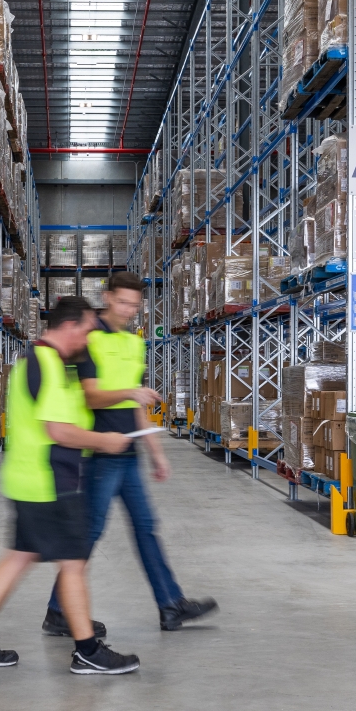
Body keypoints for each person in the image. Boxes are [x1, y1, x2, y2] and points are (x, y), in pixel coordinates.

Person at [0, 296, 144, 676]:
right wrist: (105, 442)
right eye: (88, 332)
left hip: (29, 479)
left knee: (20, 556)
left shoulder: (35, 359)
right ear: (70, 327)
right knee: (73, 563)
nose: (89, 340)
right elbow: (58, 430)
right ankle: (87, 649)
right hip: (51, 481)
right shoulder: (48, 364)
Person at [43, 270, 218, 635]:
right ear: (107, 297)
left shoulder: (133, 342)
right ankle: (59, 611)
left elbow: (136, 403)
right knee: (90, 532)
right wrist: (128, 393)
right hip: (100, 451)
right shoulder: (89, 339)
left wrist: (156, 451)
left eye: (135, 305)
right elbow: (92, 394)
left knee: (146, 528)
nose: (128, 310)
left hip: (128, 451)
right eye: (122, 302)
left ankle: (170, 606)